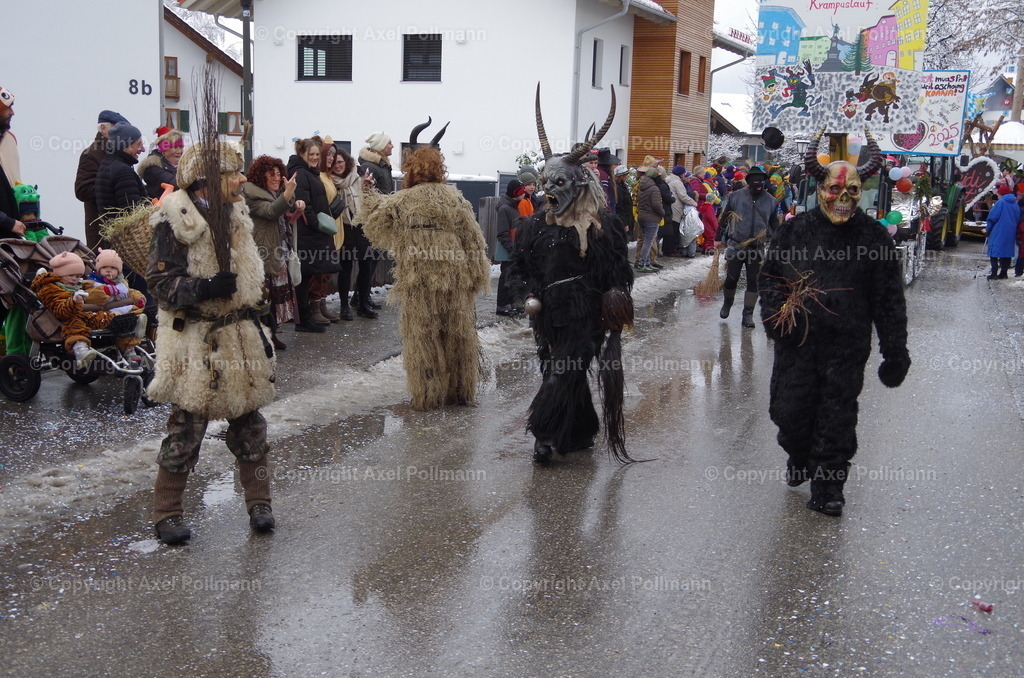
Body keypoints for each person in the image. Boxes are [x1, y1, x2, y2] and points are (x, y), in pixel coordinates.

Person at [759, 132, 909, 517]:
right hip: (798, 343)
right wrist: (779, 318)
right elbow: (771, 277)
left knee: (837, 414)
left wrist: (895, 351)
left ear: (862, 191)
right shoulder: (795, 230)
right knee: (789, 411)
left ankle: (829, 486)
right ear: (820, 188)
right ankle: (798, 453)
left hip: (847, 345)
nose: (843, 198)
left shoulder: (874, 238)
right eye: (835, 189)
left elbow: (889, 299)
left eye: (853, 190)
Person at [145, 140, 277, 545]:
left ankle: (259, 504)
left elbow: (250, 269)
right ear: (208, 179)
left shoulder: (236, 213)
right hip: (195, 341)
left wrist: (258, 296)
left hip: (239, 337)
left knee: (250, 425)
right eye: (233, 173)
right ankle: (167, 514)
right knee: (186, 429)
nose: (240, 180)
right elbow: (160, 285)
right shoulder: (173, 219)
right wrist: (204, 288)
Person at [510, 86, 634, 464]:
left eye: (558, 184)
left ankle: (544, 433)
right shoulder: (535, 227)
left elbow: (619, 272)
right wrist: (528, 294)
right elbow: (518, 266)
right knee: (561, 369)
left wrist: (614, 298)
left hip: (586, 316)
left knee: (563, 371)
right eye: (546, 184)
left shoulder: (601, 226)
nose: (550, 193)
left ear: (579, 184)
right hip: (547, 315)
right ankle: (579, 431)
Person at [361, 145, 491, 410]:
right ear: (438, 170)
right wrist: (477, 277)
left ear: (410, 171)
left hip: (418, 278)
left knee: (422, 335)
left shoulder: (404, 199)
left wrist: (367, 193)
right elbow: (473, 239)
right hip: (454, 277)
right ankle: (462, 393)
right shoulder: (454, 198)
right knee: (459, 333)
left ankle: (427, 396)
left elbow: (374, 221)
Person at [30, 252, 142, 368]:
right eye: (71, 275)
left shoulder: (77, 285)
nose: (75, 279)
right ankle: (80, 350)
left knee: (111, 316)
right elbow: (60, 310)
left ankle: (133, 325)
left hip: (86, 314)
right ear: (59, 275)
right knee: (75, 323)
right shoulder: (52, 289)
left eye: (78, 276)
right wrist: (74, 302)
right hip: (66, 318)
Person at [242, 154, 303, 348]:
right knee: (263, 299)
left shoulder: (273, 193)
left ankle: (272, 335)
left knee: (276, 299)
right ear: (261, 176)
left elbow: (282, 205)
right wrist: (288, 193)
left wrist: (294, 199)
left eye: (279, 174)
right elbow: (270, 211)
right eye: (271, 174)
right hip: (263, 255)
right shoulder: (251, 194)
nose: (276, 178)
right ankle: (262, 338)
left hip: (279, 251)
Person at [287, 137, 342, 332]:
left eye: (317, 154)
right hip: (307, 233)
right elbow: (305, 205)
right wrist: (319, 226)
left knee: (307, 276)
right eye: (311, 154)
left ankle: (305, 317)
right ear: (302, 154)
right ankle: (303, 320)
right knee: (303, 276)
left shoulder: (310, 172)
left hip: (310, 233)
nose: (315, 158)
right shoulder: (301, 173)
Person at [716, 165, 778, 328]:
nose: (758, 183)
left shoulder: (771, 200)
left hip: (756, 248)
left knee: (753, 281)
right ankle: (727, 302)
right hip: (737, 245)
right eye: (754, 179)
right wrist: (718, 238)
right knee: (731, 279)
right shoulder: (736, 196)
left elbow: (774, 223)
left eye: (761, 180)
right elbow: (724, 218)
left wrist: (779, 239)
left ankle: (747, 314)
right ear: (749, 180)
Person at [75, 110, 128, 249]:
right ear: (103, 129)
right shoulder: (91, 154)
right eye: (117, 128)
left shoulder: (118, 152)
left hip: (117, 227)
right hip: (101, 229)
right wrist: (114, 187)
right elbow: (82, 190)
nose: (122, 133)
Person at [331, 146, 363, 320]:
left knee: (366, 263)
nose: (338, 166)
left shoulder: (356, 176)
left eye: (341, 162)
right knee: (345, 267)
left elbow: (364, 196)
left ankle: (361, 300)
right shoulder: (329, 180)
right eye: (335, 163)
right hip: (342, 227)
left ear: (347, 162)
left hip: (359, 224)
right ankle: (344, 305)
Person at [95, 122, 147, 221]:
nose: (143, 149)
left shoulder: (108, 164)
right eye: (139, 144)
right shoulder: (123, 172)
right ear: (125, 146)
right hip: (127, 235)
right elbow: (134, 213)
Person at [495, 178, 526, 317]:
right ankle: (502, 305)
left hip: (514, 248)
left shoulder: (515, 206)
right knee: (506, 277)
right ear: (516, 193)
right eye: (522, 192)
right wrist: (512, 249)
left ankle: (511, 303)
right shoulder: (505, 208)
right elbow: (502, 233)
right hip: (507, 249)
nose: (524, 194)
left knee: (513, 277)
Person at [84, 248, 147, 315]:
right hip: (104, 312)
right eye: (104, 267)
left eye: (113, 268)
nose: (108, 270)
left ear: (118, 272)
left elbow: (129, 292)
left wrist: (138, 298)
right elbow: (89, 297)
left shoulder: (121, 283)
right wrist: (105, 291)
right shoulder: (93, 282)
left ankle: (138, 319)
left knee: (139, 310)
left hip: (122, 309)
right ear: (98, 270)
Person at [0, 85, 25, 240]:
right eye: (7, 108)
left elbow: (14, 183)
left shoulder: (10, 140)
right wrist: (8, 223)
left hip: (11, 233)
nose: (12, 113)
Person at [137, 127, 184, 200]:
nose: (179, 151)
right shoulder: (153, 167)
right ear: (163, 150)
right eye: (174, 147)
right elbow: (176, 184)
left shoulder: (176, 166)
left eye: (181, 147)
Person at [984, 185, 1020, 279]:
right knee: (1006, 252)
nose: (998, 195)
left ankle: (994, 273)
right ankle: (1004, 273)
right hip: (1011, 231)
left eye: (998, 193)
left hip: (998, 230)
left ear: (1001, 193)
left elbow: (993, 217)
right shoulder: (1015, 203)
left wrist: (987, 228)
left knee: (994, 251)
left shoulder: (1001, 202)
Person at [635, 165, 663, 272]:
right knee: (648, 242)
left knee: (645, 241)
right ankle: (642, 264)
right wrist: (662, 213)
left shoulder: (642, 186)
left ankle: (646, 263)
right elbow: (656, 205)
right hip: (651, 218)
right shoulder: (654, 189)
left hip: (642, 216)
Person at [613, 165, 636, 240]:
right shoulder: (618, 188)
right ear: (621, 176)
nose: (626, 177)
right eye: (625, 176)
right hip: (622, 219)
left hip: (626, 218)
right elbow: (620, 206)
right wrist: (624, 223)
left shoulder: (623, 186)